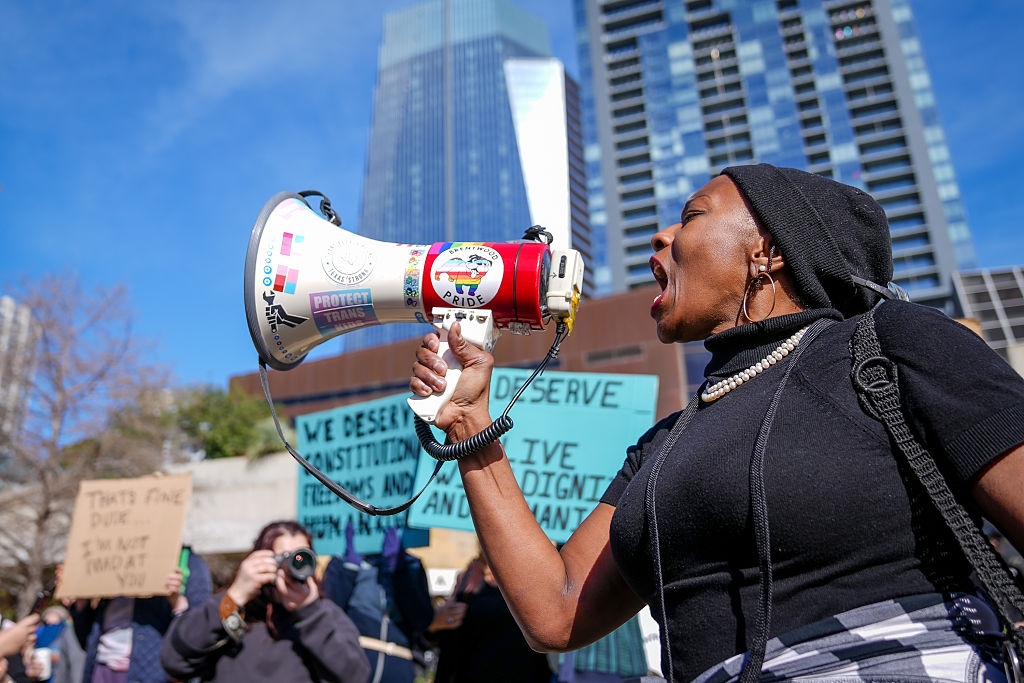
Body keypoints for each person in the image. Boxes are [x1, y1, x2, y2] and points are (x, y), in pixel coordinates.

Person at [409, 163, 1024, 682]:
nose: (660, 235)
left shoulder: (889, 345)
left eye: (693, 216)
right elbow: (556, 612)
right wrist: (468, 425)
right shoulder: (664, 442)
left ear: (769, 252)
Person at [159, 520, 370, 683]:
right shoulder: (234, 608)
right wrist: (235, 597)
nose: (292, 567)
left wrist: (310, 612)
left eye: (301, 557)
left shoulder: (323, 614)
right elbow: (173, 660)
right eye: (284, 558)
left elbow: (356, 676)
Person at [70, 549, 212, 683]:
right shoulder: (110, 560)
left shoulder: (189, 562)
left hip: (153, 675)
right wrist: (80, 604)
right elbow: (85, 640)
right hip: (102, 670)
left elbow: (200, 635)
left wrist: (178, 603)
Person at [322, 525, 434, 683]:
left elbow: (422, 620)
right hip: (353, 666)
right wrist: (349, 569)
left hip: (398, 669)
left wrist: (400, 571)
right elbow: (329, 613)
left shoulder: (411, 566)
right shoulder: (340, 563)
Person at [425, 553, 552, 683]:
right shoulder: (469, 577)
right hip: (471, 673)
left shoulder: (533, 578)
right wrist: (435, 624)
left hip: (520, 672)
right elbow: (447, 633)